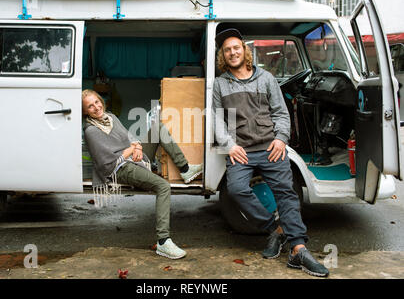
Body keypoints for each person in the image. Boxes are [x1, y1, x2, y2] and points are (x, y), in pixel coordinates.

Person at [213, 28, 329, 277]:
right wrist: (230, 145)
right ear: (223, 56)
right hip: (241, 150)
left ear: (244, 51)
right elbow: (216, 118)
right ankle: (276, 229)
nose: (232, 52)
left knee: (286, 194)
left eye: (236, 47)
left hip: (269, 147)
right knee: (236, 189)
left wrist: (280, 139)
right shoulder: (220, 84)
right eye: (227, 50)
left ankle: (298, 249)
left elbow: (280, 113)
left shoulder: (266, 78)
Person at [82, 89, 202, 259]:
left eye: (96, 102)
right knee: (163, 186)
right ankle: (163, 242)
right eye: (89, 106)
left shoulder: (111, 117)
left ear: (101, 101)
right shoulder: (91, 131)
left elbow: (129, 136)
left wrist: (137, 147)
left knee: (158, 128)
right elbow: (106, 163)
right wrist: (131, 150)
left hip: (132, 157)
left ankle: (185, 169)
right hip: (120, 169)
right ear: (85, 112)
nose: (96, 107)